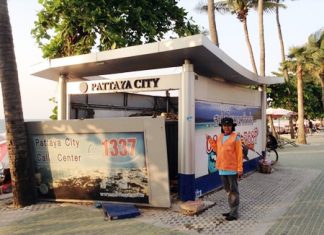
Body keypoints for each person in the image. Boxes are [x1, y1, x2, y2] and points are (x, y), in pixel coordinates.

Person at [207, 117, 243, 221]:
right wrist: (210, 140)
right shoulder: (220, 136)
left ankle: (234, 213)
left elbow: (239, 154)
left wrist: (239, 168)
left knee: (234, 191)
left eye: (229, 125)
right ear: (222, 127)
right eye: (225, 125)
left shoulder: (235, 137)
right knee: (228, 191)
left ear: (232, 127)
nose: (226, 127)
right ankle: (231, 210)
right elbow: (217, 149)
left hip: (232, 169)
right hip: (222, 169)